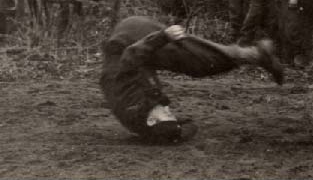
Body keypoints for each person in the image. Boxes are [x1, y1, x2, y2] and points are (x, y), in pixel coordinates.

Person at [100, 15, 283, 143]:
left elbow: (129, 57)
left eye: (167, 114)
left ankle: (255, 54)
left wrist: (163, 37)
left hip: (129, 39)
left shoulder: (131, 102)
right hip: (134, 51)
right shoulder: (144, 118)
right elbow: (187, 127)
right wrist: (175, 130)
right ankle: (253, 55)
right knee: (192, 58)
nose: (169, 110)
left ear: (151, 121)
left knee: (196, 61)